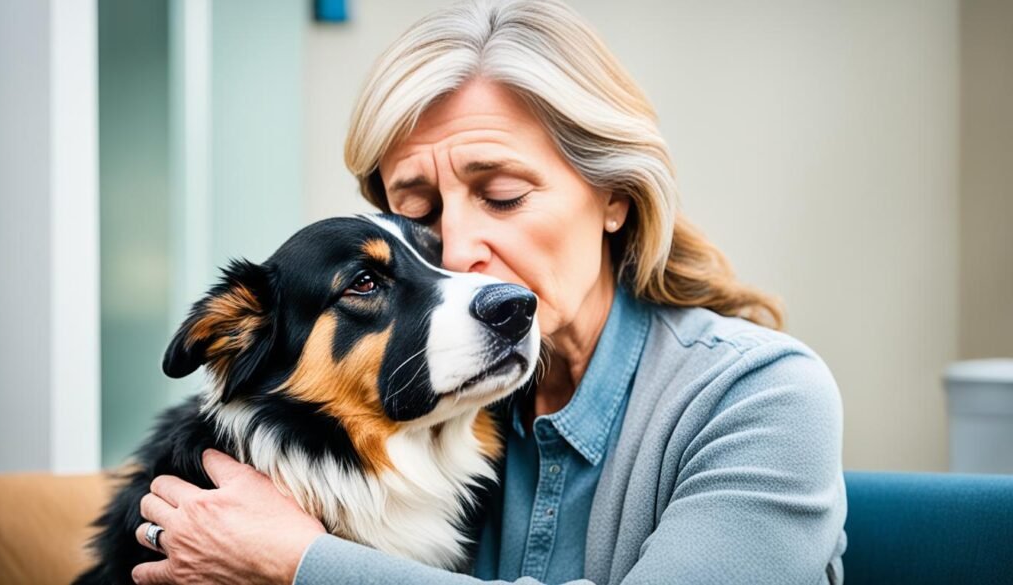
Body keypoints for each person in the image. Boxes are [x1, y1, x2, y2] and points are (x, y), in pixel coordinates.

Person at [131, 1, 847, 583]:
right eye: (420, 218)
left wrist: (299, 561)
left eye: (501, 195)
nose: (461, 254)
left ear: (615, 196)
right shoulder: (418, 404)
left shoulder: (764, 397)